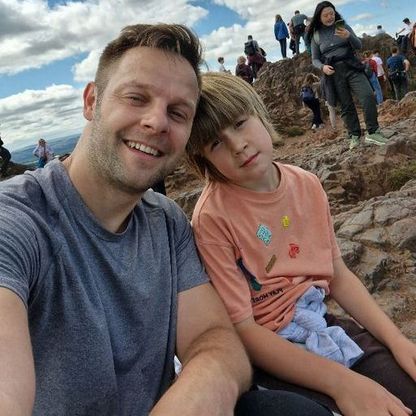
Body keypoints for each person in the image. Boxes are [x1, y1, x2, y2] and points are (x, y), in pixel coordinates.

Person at [0, 23, 335, 416]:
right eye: (136, 97)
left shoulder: (166, 221)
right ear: (92, 101)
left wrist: (203, 386)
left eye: (178, 113)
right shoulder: (18, 220)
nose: (157, 122)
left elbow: (215, 340)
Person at [185, 71, 416, 416]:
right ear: (203, 160)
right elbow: (244, 327)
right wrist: (344, 384)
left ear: (260, 114)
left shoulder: (306, 184)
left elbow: (335, 274)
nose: (238, 145)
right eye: (215, 143)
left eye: (239, 123)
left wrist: (397, 341)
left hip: (320, 319)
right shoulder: (212, 218)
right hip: (270, 348)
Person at [308, 1, 387, 150]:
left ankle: (373, 131)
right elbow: (314, 59)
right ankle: (355, 135)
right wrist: (322, 67)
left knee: (368, 95)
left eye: (331, 13)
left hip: (352, 66)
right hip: (334, 72)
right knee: (346, 105)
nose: (330, 17)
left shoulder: (343, 26)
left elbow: (359, 45)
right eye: (325, 15)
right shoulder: (316, 36)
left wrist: (349, 36)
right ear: (319, 17)